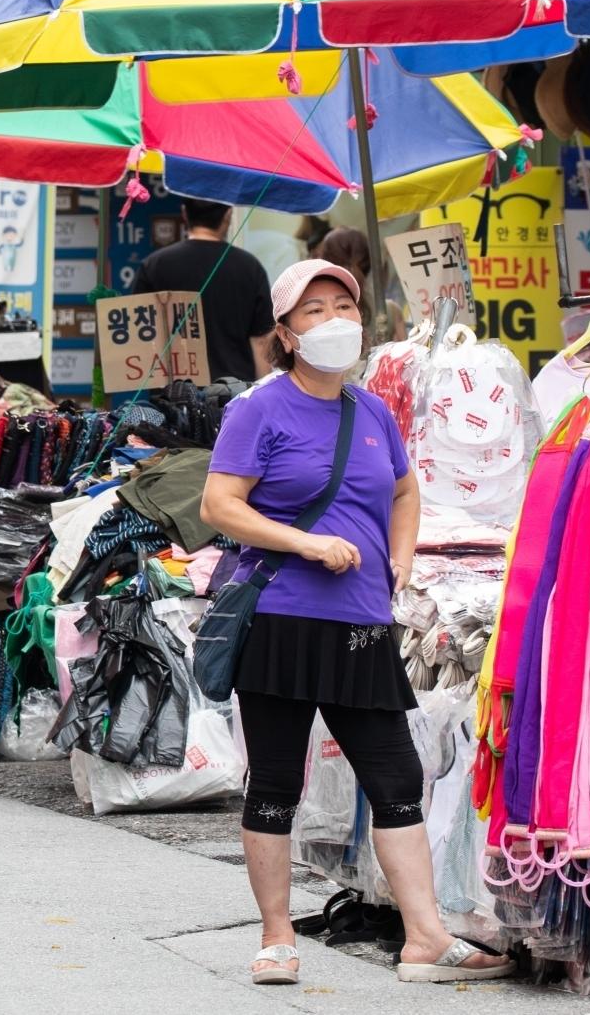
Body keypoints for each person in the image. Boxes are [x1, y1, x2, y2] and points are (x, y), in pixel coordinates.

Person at [200, 259, 514, 986]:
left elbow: (405, 490)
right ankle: (278, 937)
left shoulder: (371, 410)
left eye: (344, 303)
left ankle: (425, 936)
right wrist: (305, 541)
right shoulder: (260, 407)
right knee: (275, 782)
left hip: (363, 621)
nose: (334, 318)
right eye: (313, 310)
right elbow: (220, 505)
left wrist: (399, 559)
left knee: (397, 774)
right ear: (283, 332)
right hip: (280, 617)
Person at [131, 198, 275, 381]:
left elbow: (140, 337)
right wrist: (261, 393)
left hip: (172, 395)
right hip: (234, 396)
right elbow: (261, 341)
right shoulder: (250, 266)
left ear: (184, 213)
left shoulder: (154, 265)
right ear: (228, 215)